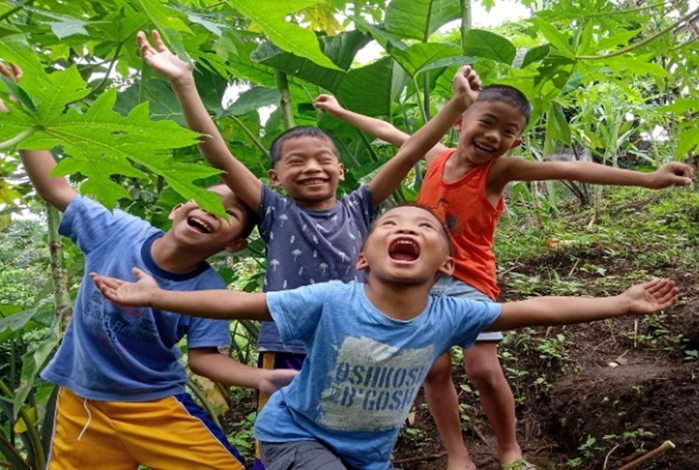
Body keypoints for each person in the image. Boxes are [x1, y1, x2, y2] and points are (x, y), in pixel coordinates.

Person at [91, 204, 679, 470]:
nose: (405, 228)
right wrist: (155, 294)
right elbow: (241, 303)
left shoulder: (449, 315)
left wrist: (618, 303)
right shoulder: (331, 299)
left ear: (445, 267)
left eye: (422, 225)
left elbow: (537, 309)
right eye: (389, 225)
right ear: (360, 259)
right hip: (294, 432)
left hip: (369, 451)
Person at [137, 29, 482, 468]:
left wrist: (456, 105)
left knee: (350, 429)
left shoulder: (361, 207)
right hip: (287, 342)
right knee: (282, 442)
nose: (312, 168)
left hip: (354, 342)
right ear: (275, 177)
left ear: (340, 169)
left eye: (322, 159)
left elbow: (408, 154)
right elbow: (220, 156)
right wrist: (184, 83)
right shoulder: (275, 211)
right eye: (295, 162)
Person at [313, 90, 694, 469]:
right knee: (434, 368)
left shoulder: (498, 171)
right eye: (487, 122)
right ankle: (458, 455)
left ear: (516, 142)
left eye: (507, 131)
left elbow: (568, 169)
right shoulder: (434, 156)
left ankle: (509, 448)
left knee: (481, 367)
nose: (494, 136)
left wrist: (647, 178)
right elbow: (388, 130)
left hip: (470, 280)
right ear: (461, 121)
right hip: (423, 281)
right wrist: (341, 109)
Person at [0, 62, 297, 470]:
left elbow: (204, 359)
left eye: (228, 214)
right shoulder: (115, 231)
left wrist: (260, 378)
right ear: (178, 208)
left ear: (234, 244)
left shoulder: (207, 289)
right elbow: (54, 187)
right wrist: (20, 108)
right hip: (82, 404)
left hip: (155, 407)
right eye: (206, 201)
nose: (212, 212)